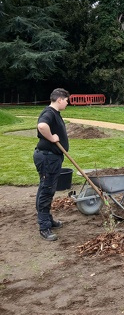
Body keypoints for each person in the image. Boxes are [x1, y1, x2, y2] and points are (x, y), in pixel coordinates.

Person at [33, 88, 70, 241]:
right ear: (60, 99)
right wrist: (52, 138)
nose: (68, 103)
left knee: (45, 187)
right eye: (67, 100)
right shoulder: (49, 113)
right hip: (48, 158)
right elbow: (41, 126)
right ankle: (44, 227)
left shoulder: (54, 114)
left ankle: (47, 220)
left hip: (51, 157)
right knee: (47, 191)